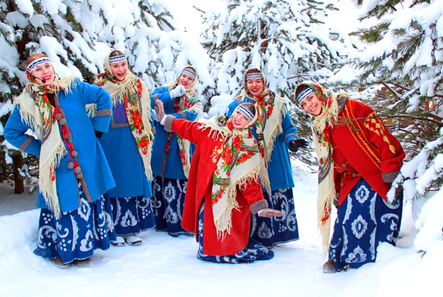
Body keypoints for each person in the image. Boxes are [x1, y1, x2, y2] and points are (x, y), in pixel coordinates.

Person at [3, 53, 116, 267]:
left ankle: (86, 249)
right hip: (58, 166)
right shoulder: (27, 104)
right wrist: (43, 150)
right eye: (38, 69)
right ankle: (63, 250)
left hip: (86, 158)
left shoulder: (73, 88)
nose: (45, 72)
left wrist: (98, 129)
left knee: (86, 199)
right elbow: (11, 132)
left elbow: (102, 96)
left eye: (47, 66)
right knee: (63, 202)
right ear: (31, 76)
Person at [295, 81, 405, 273]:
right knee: (345, 218)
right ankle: (338, 259)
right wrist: (336, 189)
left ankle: (369, 259)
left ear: (320, 94)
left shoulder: (352, 109)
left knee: (364, 211)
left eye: (310, 98)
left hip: (375, 172)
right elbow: (330, 162)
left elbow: (382, 137)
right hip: (350, 177)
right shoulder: (320, 126)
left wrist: (390, 168)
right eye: (303, 104)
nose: (309, 106)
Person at [155, 101, 282, 263]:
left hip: (232, 198)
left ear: (250, 123)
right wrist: (166, 120)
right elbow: (190, 128)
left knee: (228, 226)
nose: (239, 119)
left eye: (245, 118)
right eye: (238, 113)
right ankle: (208, 251)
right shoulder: (214, 129)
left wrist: (259, 206)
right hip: (208, 191)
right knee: (207, 221)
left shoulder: (248, 147)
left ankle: (227, 250)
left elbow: (249, 181)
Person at [227, 68, 306, 247]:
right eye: (250, 82)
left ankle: (278, 235)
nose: (254, 85)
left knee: (276, 190)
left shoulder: (278, 104)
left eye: (258, 81)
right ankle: (254, 236)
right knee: (253, 190)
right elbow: (227, 125)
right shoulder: (238, 104)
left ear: (264, 82)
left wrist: (292, 141)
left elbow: (288, 129)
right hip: (250, 158)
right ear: (245, 84)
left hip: (275, 159)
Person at [95, 49, 155, 246]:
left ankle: (132, 229)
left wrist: (148, 130)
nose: (120, 69)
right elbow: (92, 113)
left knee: (132, 182)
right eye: (115, 66)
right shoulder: (100, 86)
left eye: (123, 65)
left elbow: (145, 110)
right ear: (108, 67)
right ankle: (113, 230)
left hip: (133, 140)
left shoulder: (137, 84)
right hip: (109, 141)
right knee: (114, 183)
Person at [150, 66, 202, 236]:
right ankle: (159, 221)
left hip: (181, 145)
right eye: (184, 76)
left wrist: (170, 119)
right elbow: (152, 100)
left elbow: (192, 115)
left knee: (177, 179)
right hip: (161, 141)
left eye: (189, 78)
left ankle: (178, 225)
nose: (185, 80)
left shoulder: (194, 99)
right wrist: (171, 95)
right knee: (159, 177)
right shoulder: (164, 90)